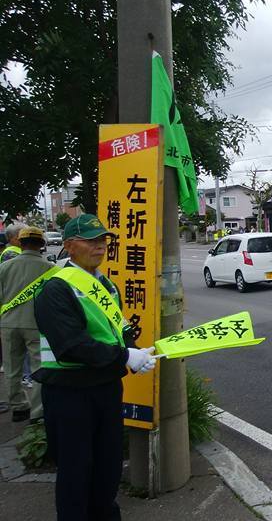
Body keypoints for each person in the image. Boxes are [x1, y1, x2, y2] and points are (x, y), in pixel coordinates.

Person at [34, 214, 158, 521]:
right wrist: (124, 358)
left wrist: (133, 349)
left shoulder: (105, 285)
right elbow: (70, 344)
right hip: (68, 393)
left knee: (108, 467)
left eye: (103, 240)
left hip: (105, 387)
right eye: (90, 241)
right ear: (69, 247)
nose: (100, 247)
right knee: (76, 472)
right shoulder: (55, 288)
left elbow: (118, 329)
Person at [0, 227, 53, 422]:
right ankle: (37, 412)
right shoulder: (49, 268)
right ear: (42, 244)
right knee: (39, 366)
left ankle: (19, 407)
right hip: (36, 324)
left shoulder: (4, 267)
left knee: (12, 367)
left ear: (20, 243)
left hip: (8, 323)